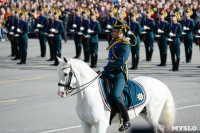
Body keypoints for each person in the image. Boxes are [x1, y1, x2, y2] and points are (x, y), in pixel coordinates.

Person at [100, 17, 131, 132]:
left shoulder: (125, 44)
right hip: (109, 72)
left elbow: (120, 62)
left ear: (120, 33)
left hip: (119, 74)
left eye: (114, 31)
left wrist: (106, 68)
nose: (112, 32)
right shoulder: (114, 42)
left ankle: (126, 120)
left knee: (116, 95)